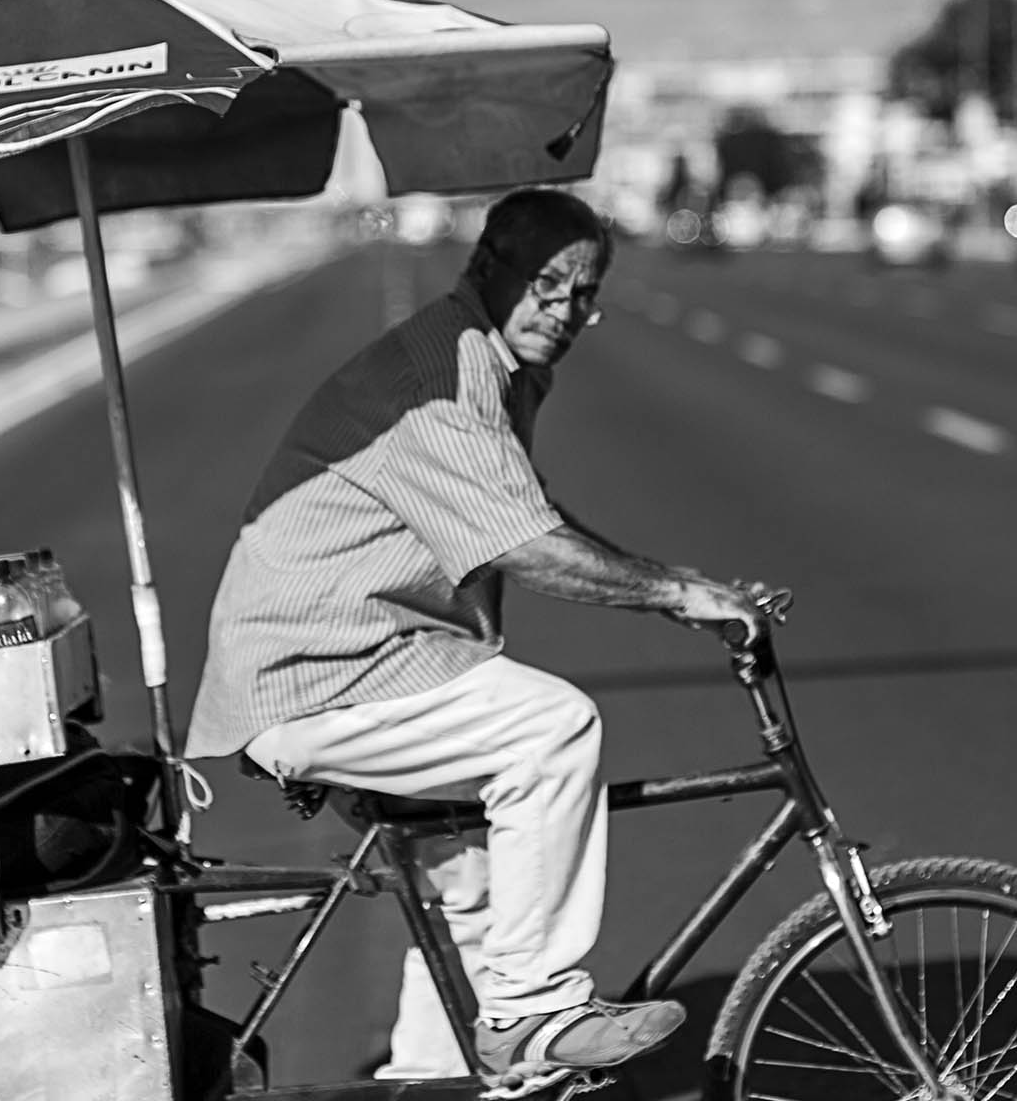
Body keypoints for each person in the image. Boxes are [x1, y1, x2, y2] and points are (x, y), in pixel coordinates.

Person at [186, 189, 775, 1090]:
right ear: (487, 266)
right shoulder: (444, 374)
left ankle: (431, 1078)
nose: (565, 313)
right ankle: (533, 1012)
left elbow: (522, 512)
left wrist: (678, 590)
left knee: (474, 891)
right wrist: (681, 594)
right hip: (319, 670)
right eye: (547, 285)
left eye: (583, 294)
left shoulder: (505, 366)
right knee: (553, 729)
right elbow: (528, 547)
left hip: (371, 655)